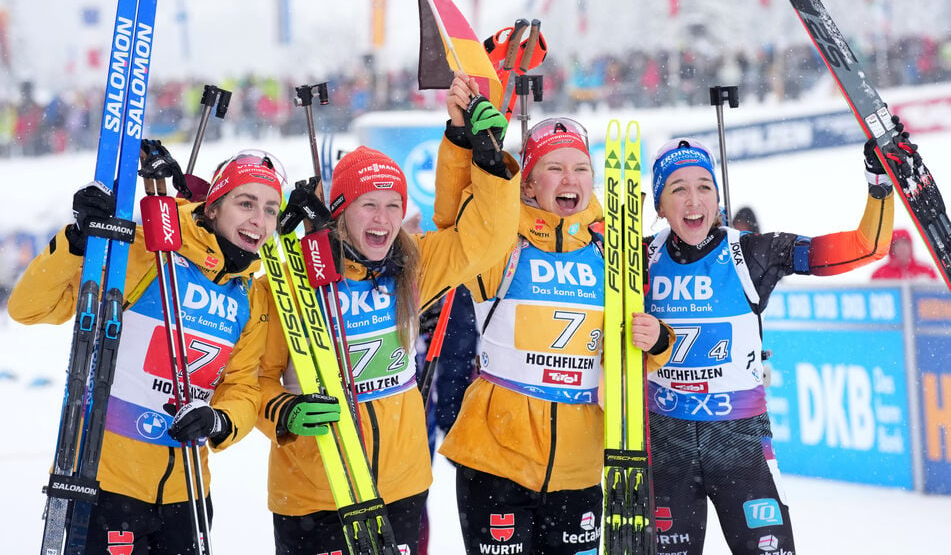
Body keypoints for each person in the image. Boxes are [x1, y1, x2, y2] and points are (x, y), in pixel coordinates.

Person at [255, 71, 521, 555]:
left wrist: (485, 161)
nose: (382, 218)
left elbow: (483, 240)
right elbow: (253, 377)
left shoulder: (413, 263)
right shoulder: (292, 278)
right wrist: (284, 412)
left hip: (400, 486)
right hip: (315, 494)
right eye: (368, 205)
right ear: (338, 211)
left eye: (392, 205)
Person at [8, 145, 294, 553]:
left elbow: (243, 387)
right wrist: (77, 241)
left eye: (270, 209)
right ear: (212, 208)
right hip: (103, 483)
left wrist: (218, 420)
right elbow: (29, 308)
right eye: (245, 202)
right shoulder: (147, 254)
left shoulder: (251, 294)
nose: (258, 220)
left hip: (188, 497)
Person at [643, 136, 895, 555]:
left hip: (740, 441)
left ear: (718, 199)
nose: (693, 201)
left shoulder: (750, 253)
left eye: (705, 186)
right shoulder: (636, 259)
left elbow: (866, 247)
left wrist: (880, 184)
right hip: (666, 442)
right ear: (659, 205)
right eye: (678, 189)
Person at [439, 117, 674, 555]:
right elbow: (454, 216)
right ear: (528, 186)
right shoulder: (500, 244)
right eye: (554, 168)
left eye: (581, 168)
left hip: (578, 468)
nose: (570, 179)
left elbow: (625, 353)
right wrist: (460, 142)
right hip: (496, 461)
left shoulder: (612, 250)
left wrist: (657, 341)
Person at [871, 228, 938, 281]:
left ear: (910, 245)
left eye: (904, 242)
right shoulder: (879, 274)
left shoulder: (926, 270)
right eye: (896, 244)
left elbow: (937, 296)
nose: (901, 247)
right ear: (891, 248)